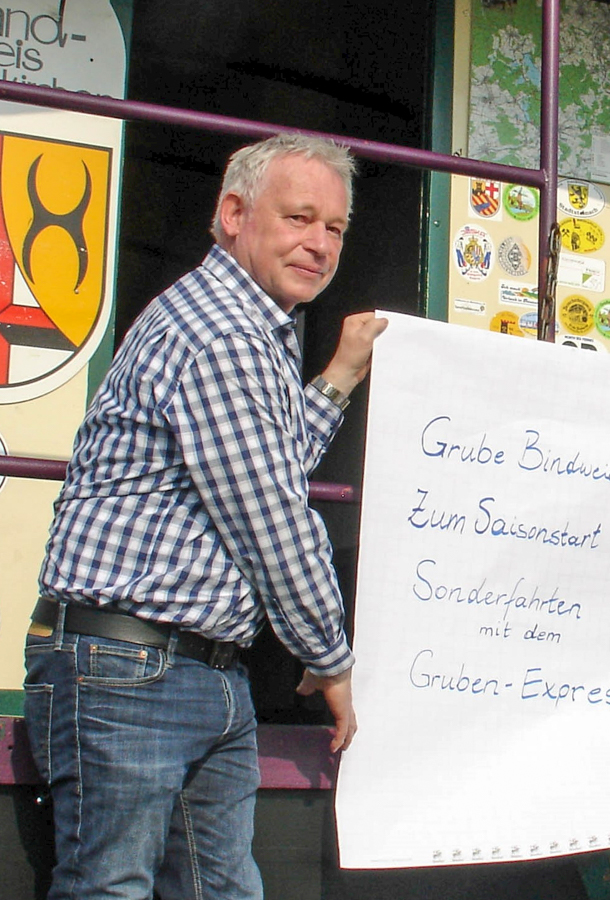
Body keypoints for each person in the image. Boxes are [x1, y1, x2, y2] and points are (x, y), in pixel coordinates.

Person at [24, 133, 388, 900]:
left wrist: (338, 377)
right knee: (112, 889)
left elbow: (261, 466)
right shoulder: (222, 330)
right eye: (299, 218)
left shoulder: (251, 327)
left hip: (195, 666)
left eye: (335, 228)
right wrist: (332, 661)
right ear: (233, 213)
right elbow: (274, 522)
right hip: (130, 665)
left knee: (219, 890)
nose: (319, 245)